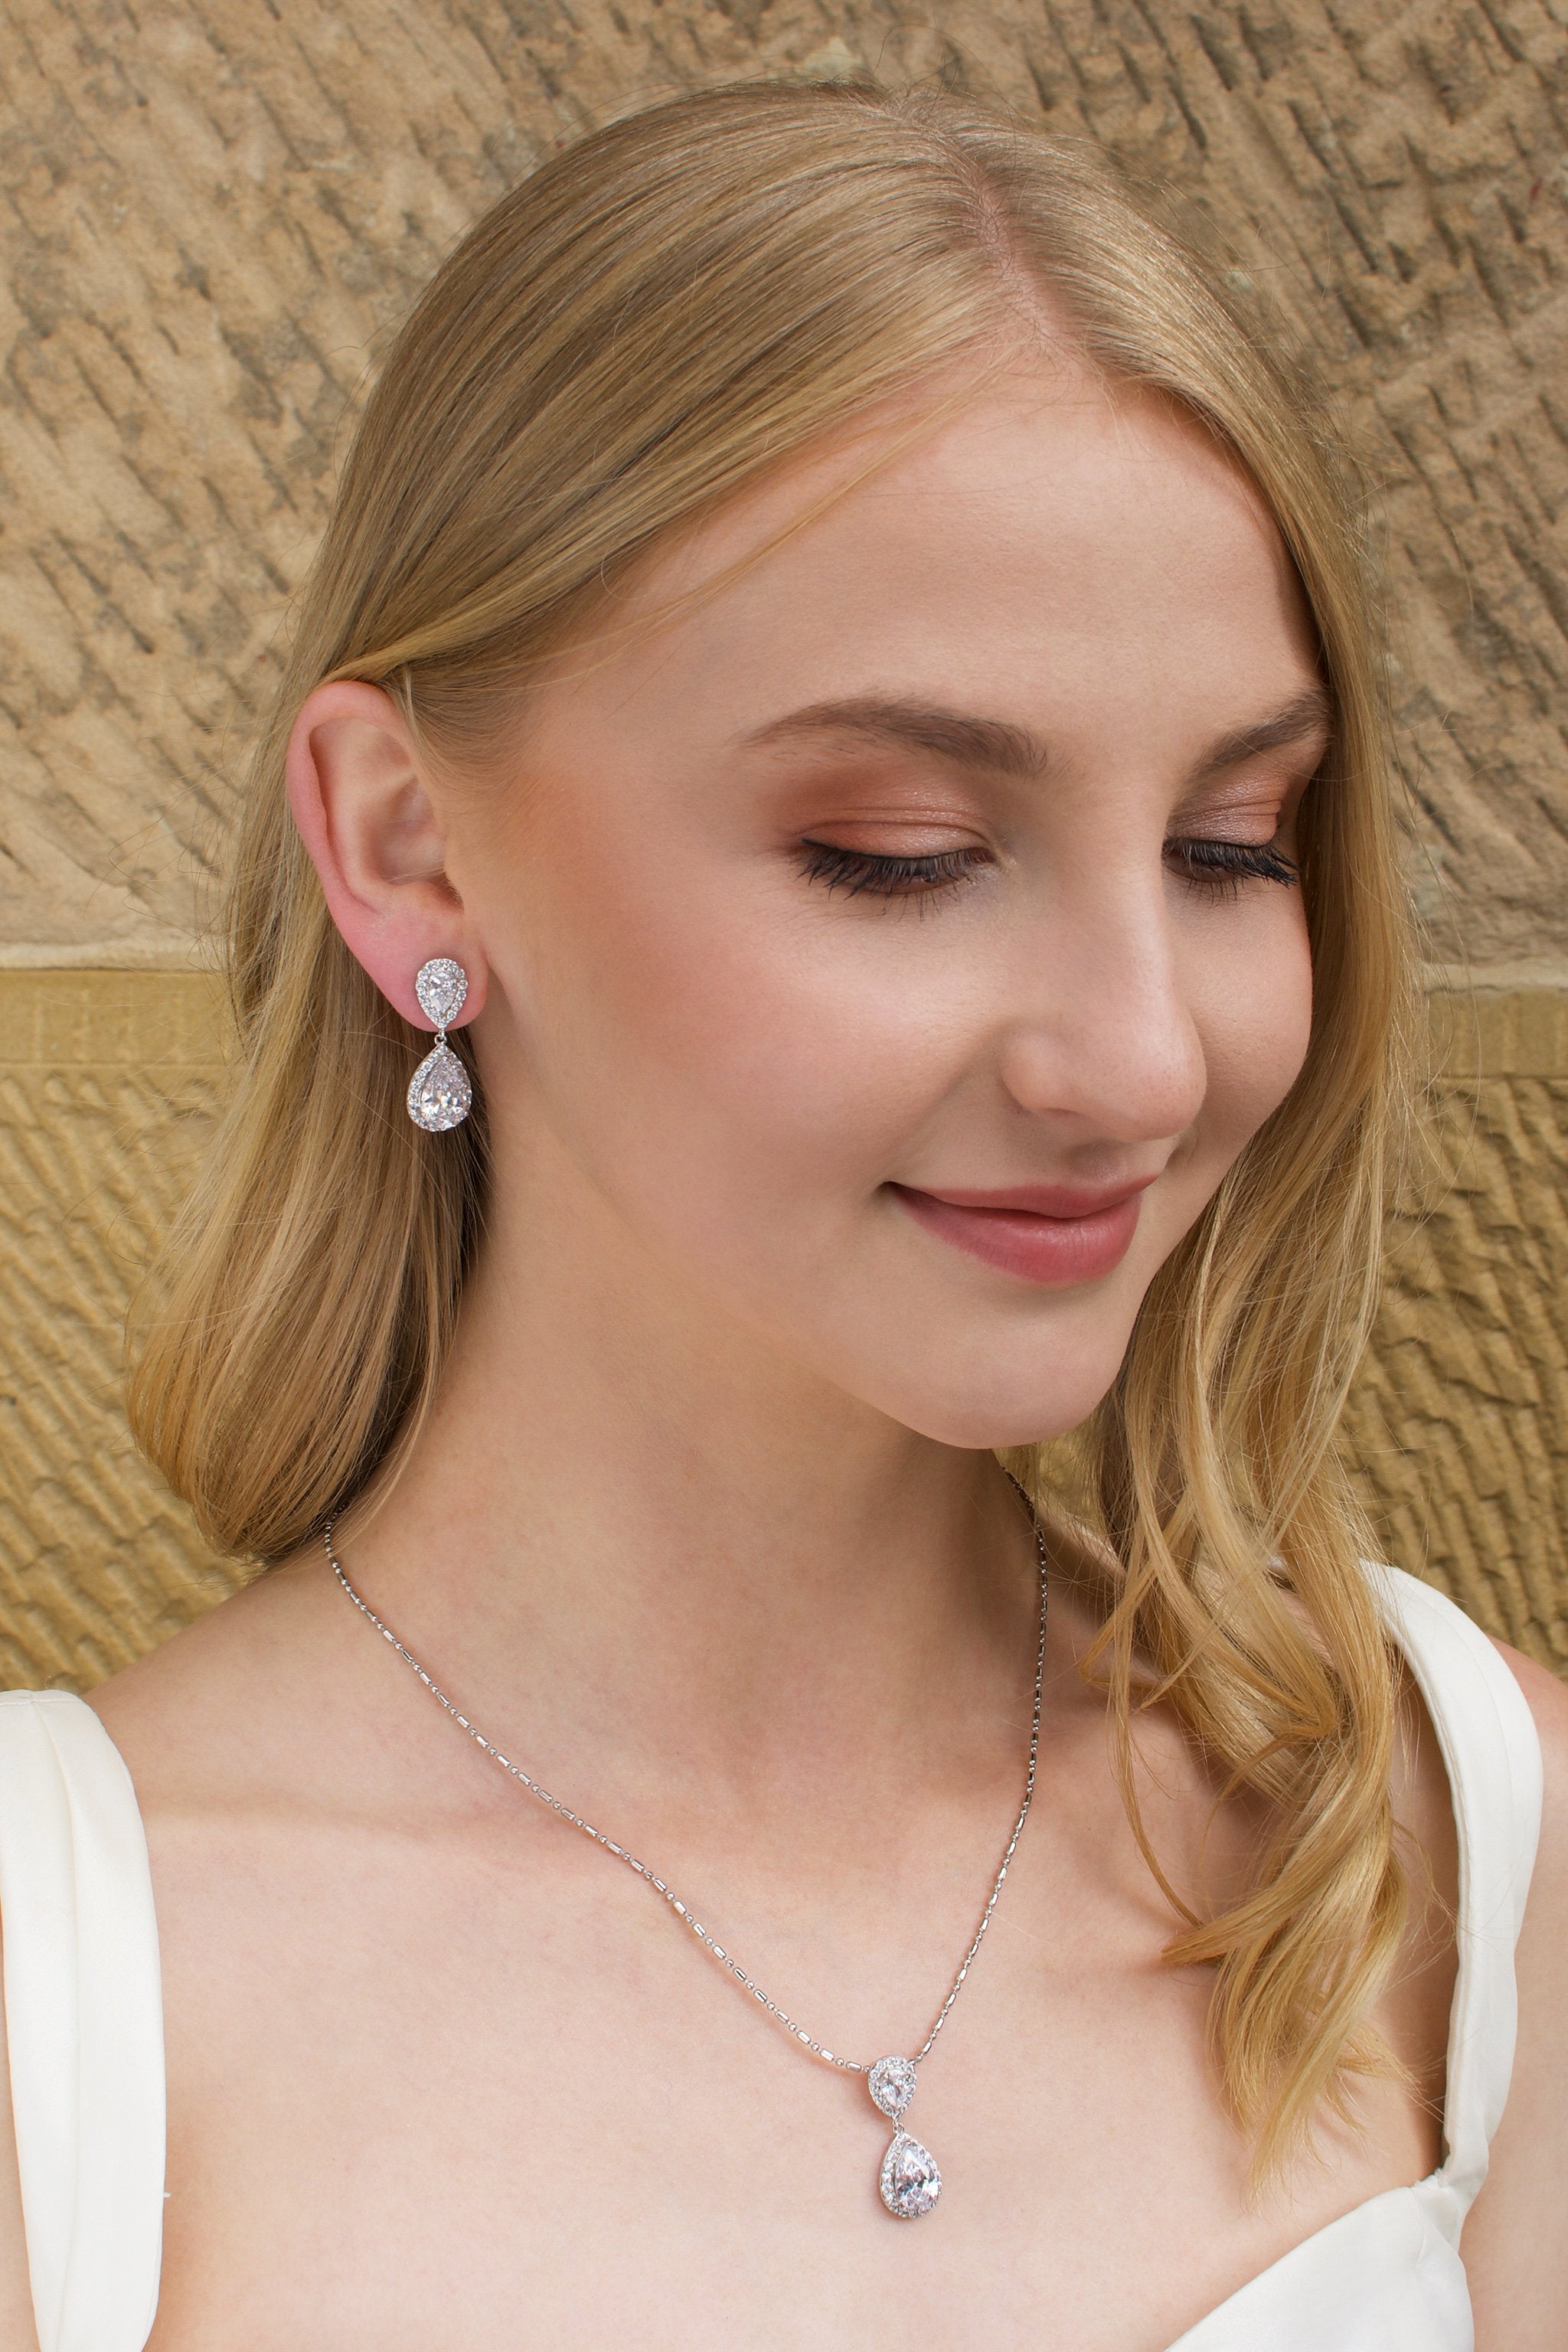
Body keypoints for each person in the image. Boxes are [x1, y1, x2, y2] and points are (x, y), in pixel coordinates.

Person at [0, 75, 1562, 2352]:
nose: (1141, 1060)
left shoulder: (1474, 1858)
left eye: (1234, 847)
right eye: (902, 854)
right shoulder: (72, 2014)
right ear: (412, 846)